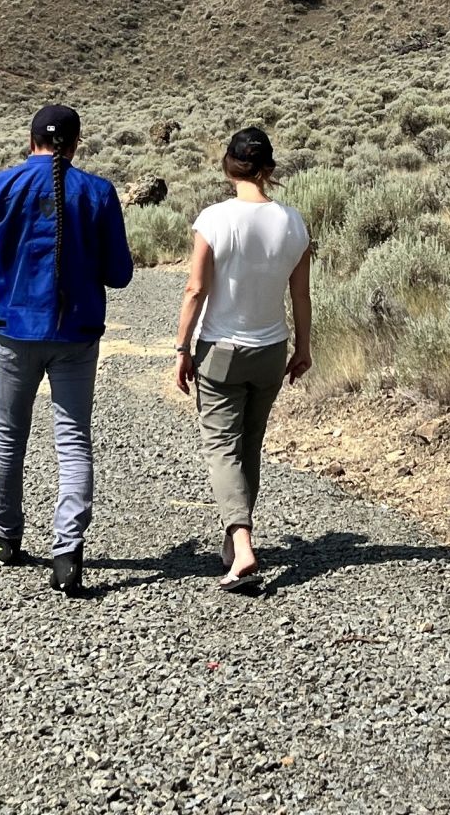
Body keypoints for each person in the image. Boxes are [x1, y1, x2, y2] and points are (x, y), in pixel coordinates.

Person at [0, 104, 134, 595]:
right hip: (77, 334)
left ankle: (6, 536)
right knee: (73, 440)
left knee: (9, 435)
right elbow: (119, 274)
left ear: (29, 139)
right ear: (76, 144)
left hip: (14, 331)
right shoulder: (98, 192)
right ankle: (67, 553)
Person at [173, 126, 313, 593]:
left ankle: (241, 539)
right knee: (248, 445)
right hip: (271, 351)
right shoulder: (294, 222)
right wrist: (304, 347)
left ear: (230, 165)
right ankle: (236, 543)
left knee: (221, 446)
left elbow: (196, 289)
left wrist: (181, 347)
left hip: (221, 351)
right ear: (268, 168)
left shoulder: (213, 219)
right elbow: (301, 296)